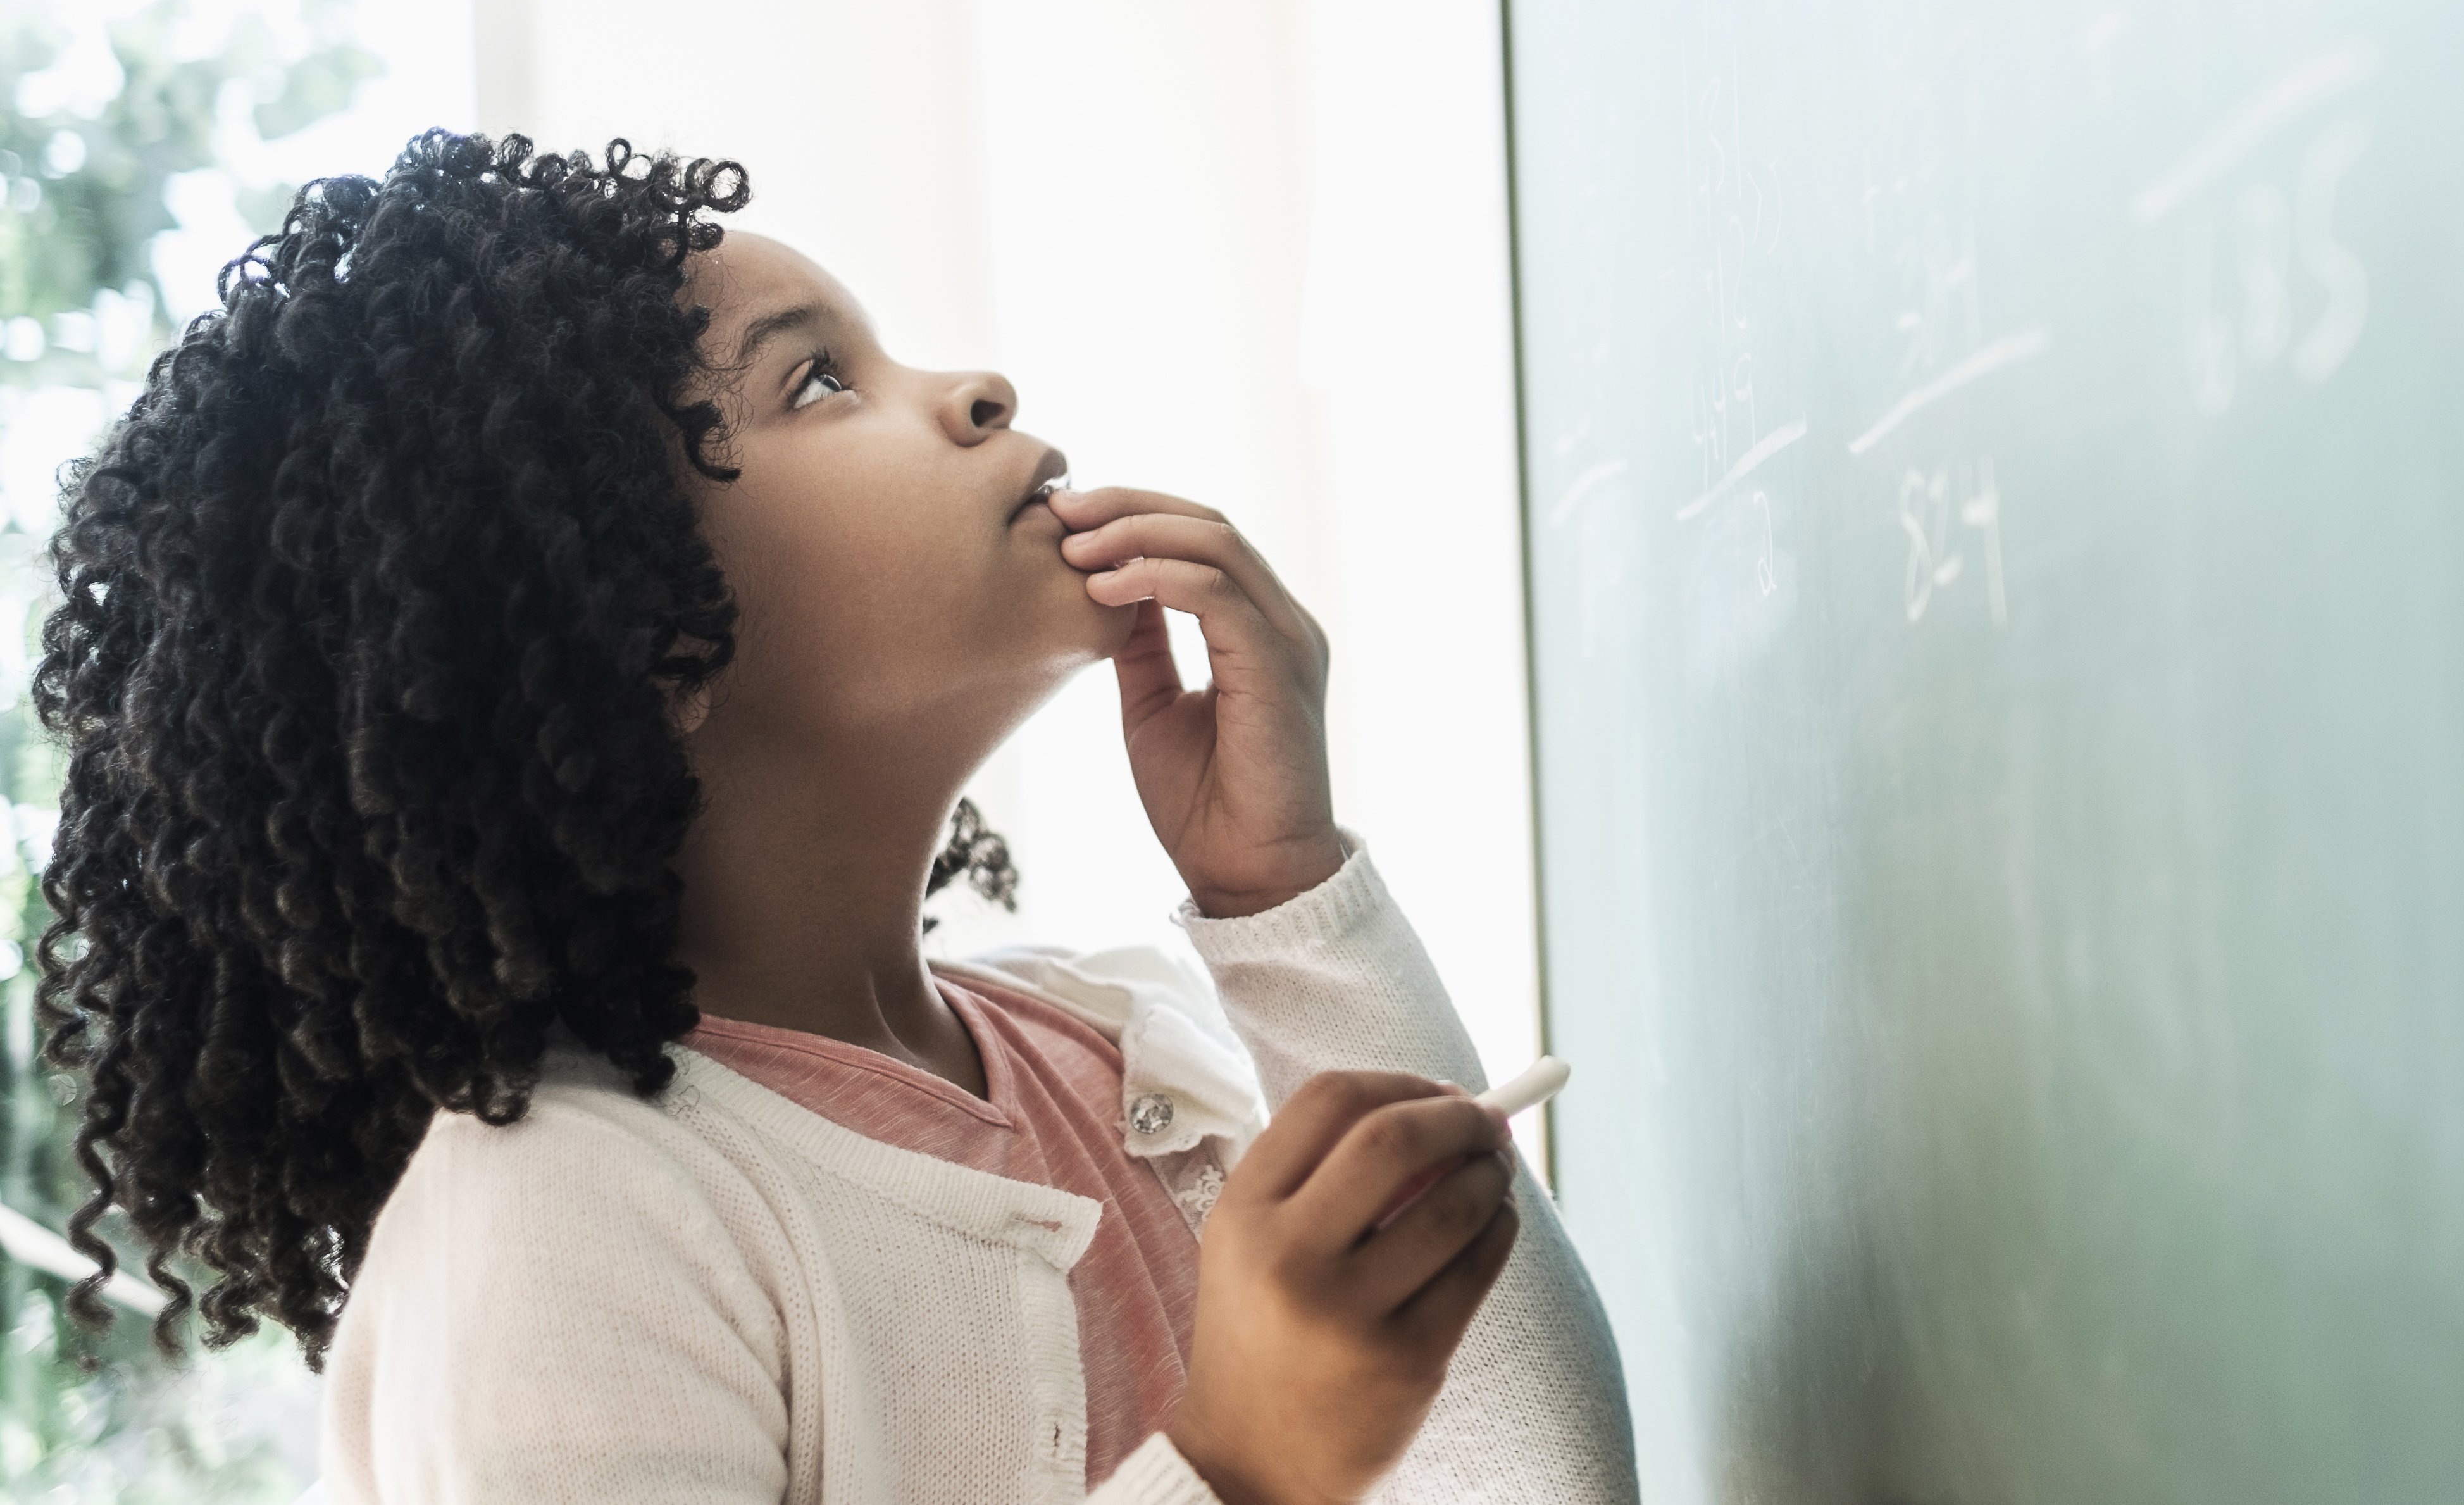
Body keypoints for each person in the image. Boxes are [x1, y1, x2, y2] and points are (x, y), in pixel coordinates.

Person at [30, 132, 1632, 1503]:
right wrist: (1240, 1464)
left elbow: (1542, 1480)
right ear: (635, 632)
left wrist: (1284, 898)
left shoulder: (1120, 1046)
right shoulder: (561, 1217)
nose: (975, 387)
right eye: (817, 379)